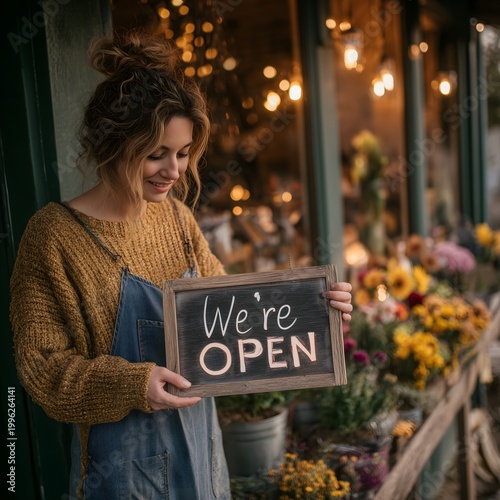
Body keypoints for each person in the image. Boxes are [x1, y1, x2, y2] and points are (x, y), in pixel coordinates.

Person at [10, 31, 353, 499]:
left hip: (203, 451)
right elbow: (42, 370)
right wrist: (133, 383)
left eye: (183, 153)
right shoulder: (53, 236)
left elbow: (236, 317)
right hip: (120, 476)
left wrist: (316, 311)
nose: (173, 170)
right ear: (112, 144)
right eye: (157, 154)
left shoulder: (176, 218)